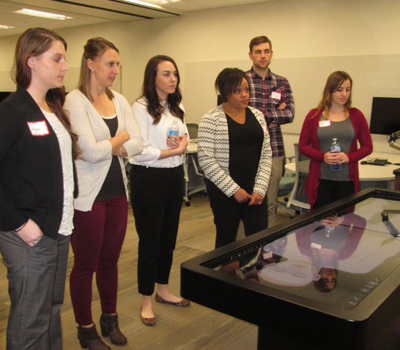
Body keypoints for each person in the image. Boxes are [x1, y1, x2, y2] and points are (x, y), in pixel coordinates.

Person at [0, 27, 78, 350]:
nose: (65, 66)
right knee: (30, 318)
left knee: (50, 310)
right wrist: (19, 223)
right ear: (31, 61)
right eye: (57, 58)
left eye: (65, 58)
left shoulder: (52, 108)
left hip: (58, 229)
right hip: (28, 232)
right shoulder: (12, 110)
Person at [64, 37, 142, 349]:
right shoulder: (74, 101)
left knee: (111, 259)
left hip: (117, 193)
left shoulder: (120, 101)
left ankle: (110, 317)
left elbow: (137, 144)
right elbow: (89, 153)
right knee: (86, 263)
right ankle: (86, 329)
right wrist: (121, 139)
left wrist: (114, 144)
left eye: (117, 64)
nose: (115, 70)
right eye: (110, 63)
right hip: (88, 197)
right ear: (91, 64)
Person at [130, 55, 190, 327]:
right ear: (152, 77)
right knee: (150, 242)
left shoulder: (178, 107)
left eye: (174, 74)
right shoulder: (140, 107)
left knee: (168, 240)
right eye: (166, 74)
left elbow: (184, 138)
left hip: (174, 178)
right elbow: (139, 151)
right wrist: (173, 151)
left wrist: (180, 146)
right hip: (149, 180)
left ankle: (163, 289)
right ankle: (146, 299)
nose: (172, 79)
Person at [198, 68, 272, 249]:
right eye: (238, 91)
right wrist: (233, 190)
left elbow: (266, 154)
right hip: (225, 193)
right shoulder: (211, 119)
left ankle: (252, 276)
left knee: (258, 240)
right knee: (226, 242)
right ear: (225, 92)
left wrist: (260, 188)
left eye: (246, 90)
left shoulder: (258, 116)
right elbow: (206, 160)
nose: (244, 95)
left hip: (255, 191)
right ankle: (225, 275)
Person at [298, 71, 373, 210]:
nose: (344, 94)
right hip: (321, 181)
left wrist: (349, 157)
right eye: (339, 90)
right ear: (330, 90)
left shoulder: (357, 115)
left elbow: (367, 146)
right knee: (320, 224)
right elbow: (303, 145)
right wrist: (323, 156)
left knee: (343, 224)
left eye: (347, 89)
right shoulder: (314, 115)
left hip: (346, 181)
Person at [246, 35, 295, 227]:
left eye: (266, 51)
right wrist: (275, 115)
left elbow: (290, 114)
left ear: (271, 54)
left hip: (274, 151)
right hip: (247, 151)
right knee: (247, 202)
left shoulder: (282, 82)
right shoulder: (242, 80)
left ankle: (267, 250)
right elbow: (239, 115)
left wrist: (258, 116)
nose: (263, 56)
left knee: (270, 204)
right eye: (258, 52)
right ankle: (245, 251)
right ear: (250, 55)